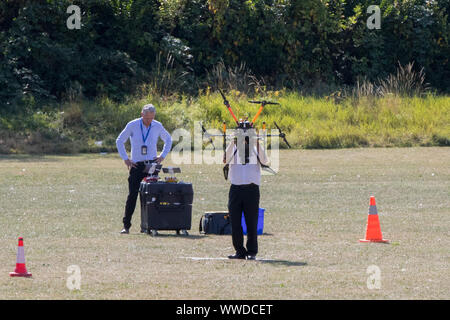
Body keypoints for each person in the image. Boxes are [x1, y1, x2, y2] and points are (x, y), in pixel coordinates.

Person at [116, 104, 172, 234]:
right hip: (136, 165)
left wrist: (162, 156)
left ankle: (150, 225)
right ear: (142, 114)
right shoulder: (133, 125)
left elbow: (168, 139)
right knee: (132, 196)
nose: (148, 121)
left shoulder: (157, 125)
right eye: (146, 118)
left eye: (151, 118)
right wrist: (125, 158)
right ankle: (126, 225)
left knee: (152, 196)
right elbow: (119, 140)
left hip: (152, 165)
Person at [223, 129, 269, 260]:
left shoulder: (255, 148)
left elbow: (265, 161)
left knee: (251, 221)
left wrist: (257, 142)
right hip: (236, 189)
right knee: (235, 221)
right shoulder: (234, 148)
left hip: (252, 189)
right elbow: (225, 159)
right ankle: (239, 251)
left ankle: (252, 251)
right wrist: (233, 141)